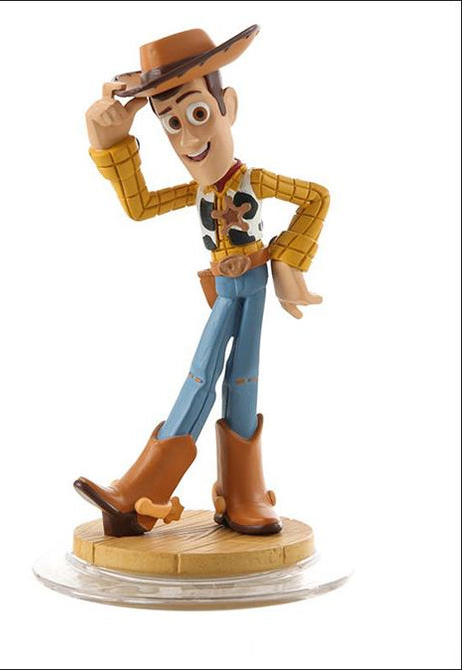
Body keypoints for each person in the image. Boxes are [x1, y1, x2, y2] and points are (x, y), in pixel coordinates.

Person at [74, 25, 330, 537]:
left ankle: (241, 493)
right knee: (202, 373)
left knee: (242, 377)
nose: (190, 139)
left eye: (197, 114)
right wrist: (112, 144)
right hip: (223, 290)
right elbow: (140, 206)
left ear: (227, 107)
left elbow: (316, 197)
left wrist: (286, 261)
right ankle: (142, 492)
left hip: (252, 284)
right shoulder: (197, 191)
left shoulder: (254, 180)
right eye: (172, 124)